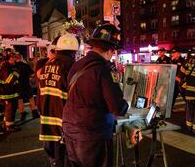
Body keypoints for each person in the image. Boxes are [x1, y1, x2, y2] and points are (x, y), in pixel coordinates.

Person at [63, 24, 129, 167]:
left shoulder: (77, 65)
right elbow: (117, 108)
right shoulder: (104, 70)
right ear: (111, 50)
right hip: (93, 136)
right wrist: (126, 104)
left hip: (70, 130)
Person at [37, 33, 78, 167]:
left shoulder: (45, 67)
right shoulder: (71, 66)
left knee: (54, 158)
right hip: (64, 123)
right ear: (74, 52)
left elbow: (40, 94)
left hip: (47, 122)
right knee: (65, 159)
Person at [0, 53, 21, 133]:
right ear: (10, 58)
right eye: (14, 58)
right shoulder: (6, 67)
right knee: (10, 109)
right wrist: (17, 72)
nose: (15, 60)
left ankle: (6, 124)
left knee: (8, 110)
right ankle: (9, 126)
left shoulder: (7, 66)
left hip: (7, 92)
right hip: (7, 93)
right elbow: (10, 79)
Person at [15, 53, 39, 121]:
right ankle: (34, 112)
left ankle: (22, 114)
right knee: (31, 98)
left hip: (18, 86)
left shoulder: (14, 66)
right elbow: (32, 74)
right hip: (26, 85)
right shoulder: (25, 65)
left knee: (20, 100)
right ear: (21, 58)